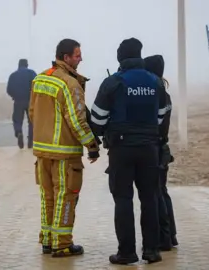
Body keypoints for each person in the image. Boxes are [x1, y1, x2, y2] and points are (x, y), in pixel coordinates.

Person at [90, 38, 168, 265]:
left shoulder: (112, 82)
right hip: (149, 149)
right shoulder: (155, 82)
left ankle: (127, 252)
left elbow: (97, 119)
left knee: (123, 199)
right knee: (150, 198)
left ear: (120, 57)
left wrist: (104, 131)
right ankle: (152, 251)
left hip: (121, 149)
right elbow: (162, 115)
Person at [29, 38, 100, 257]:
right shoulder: (70, 84)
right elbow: (77, 120)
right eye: (78, 55)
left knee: (47, 197)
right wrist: (92, 145)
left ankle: (48, 240)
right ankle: (63, 244)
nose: (81, 59)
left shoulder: (40, 79)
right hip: (64, 153)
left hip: (42, 151)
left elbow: (32, 113)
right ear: (66, 57)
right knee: (66, 196)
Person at [144, 55, 178, 250]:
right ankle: (170, 235)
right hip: (161, 147)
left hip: (156, 148)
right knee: (161, 192)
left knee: (157, 193)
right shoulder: (163, 93)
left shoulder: (158, 94)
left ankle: (163, 238)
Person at [6, 59, 37, 149]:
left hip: (18, 101)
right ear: (27, 65)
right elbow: (37, 85)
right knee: (32, 121)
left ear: (18, 65)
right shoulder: (32, 73)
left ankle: (19, 132)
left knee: (17, 120)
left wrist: (14, 96)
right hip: (30, 101)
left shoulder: (13, 75)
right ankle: (30, 141)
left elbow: (9, 89)